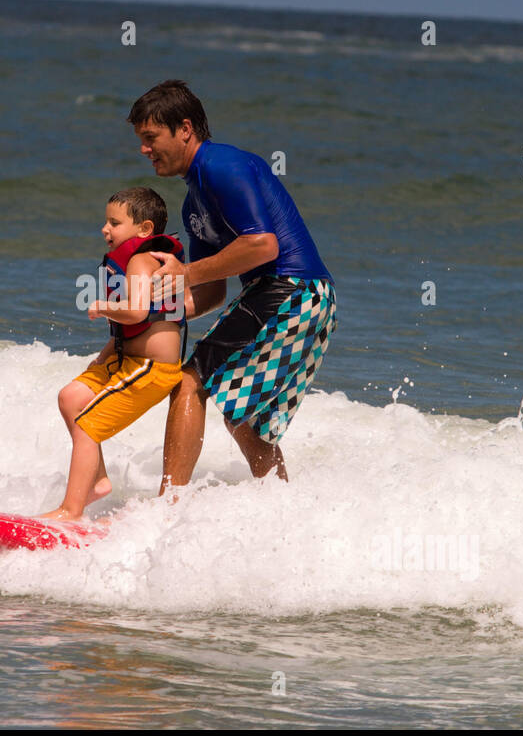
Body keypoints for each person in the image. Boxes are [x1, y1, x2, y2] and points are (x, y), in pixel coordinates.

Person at [127, 80, 337, 495]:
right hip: (299, 299)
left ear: (184, 129)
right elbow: (212, 292)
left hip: (293, 291)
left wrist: (185, 272)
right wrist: (154, 309)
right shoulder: (194, 204)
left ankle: (167, 506)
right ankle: (282, 505)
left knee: (191, 380)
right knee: (246, 421)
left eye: (151, 138)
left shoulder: (222, 166)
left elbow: (262, 245)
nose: (144, 150)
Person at [38, 187, 191, 520]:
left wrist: (104, 307)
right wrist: (103, 357)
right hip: (124, 360)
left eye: (114, 222)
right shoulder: (130, 261)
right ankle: (98, 482)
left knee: (88, 423)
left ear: (145, 230)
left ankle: (70, 510)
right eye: (105, 221)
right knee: (70, 397)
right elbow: (131, 328)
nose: (105, 229)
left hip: (152, 368)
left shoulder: (140, 260)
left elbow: (136, 313)